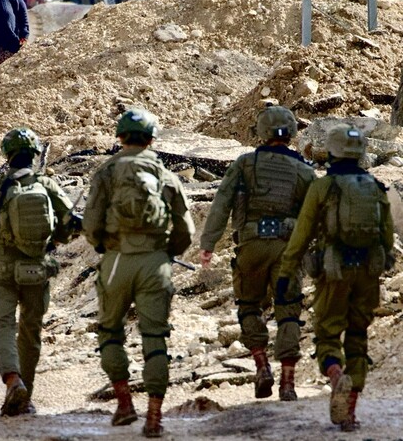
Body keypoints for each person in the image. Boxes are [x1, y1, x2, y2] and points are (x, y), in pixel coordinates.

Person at [82, 108, 195, 437]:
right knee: (155, 338)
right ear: (152, 138)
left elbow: (90, 225)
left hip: (117, 260)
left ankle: (124, 403)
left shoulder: (107, 171)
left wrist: (104, 246)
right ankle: (155, 417)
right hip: (155, 263)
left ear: (120, 137)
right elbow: (186, 228)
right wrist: (166, 254)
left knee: (110, 332)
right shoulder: (165, 173)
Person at [277, 124, 394, 432]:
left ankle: (334, 375)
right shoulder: (377, 187)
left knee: (328, 335)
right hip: (368, 273)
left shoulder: (323, 187)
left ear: (331, 151)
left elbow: (301, 236)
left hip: (334, 271)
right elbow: (387, 238)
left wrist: (287, 273)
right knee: (358, 337)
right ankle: (351, 414)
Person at [199, 106, 315, 402]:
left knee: (249, 305)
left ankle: (262, 364)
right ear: (291, 134)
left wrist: (208, 243)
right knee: (288, 310)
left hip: (250, 245)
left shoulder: (244, 164)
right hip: (287, 249)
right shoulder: (305, 170)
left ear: (261, 133)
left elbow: (222, 203)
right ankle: (288, 383)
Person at [0, 127, 74, 417]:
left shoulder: (0, 188)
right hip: (38, 269)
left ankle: (13, 381)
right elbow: (70, 224)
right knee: (30, 332)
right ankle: (26, 396)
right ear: (35, 154)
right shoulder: (47, 185)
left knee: (3, 325)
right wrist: (53, 240)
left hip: (2, 269)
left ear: (7, 155)